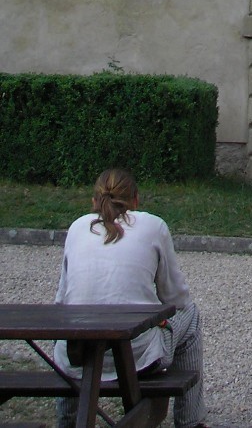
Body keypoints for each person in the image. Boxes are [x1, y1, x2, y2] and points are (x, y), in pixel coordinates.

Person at [53, 167, 207, 428]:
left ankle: (67, 420)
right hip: (137, 357)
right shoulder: (153, 226)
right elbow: (177, 299)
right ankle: (190, 421)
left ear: (94, 201)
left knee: (66, 335)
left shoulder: (77, 227)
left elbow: (62, 303)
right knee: (190, 317)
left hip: (79, 357)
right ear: (136, 200)